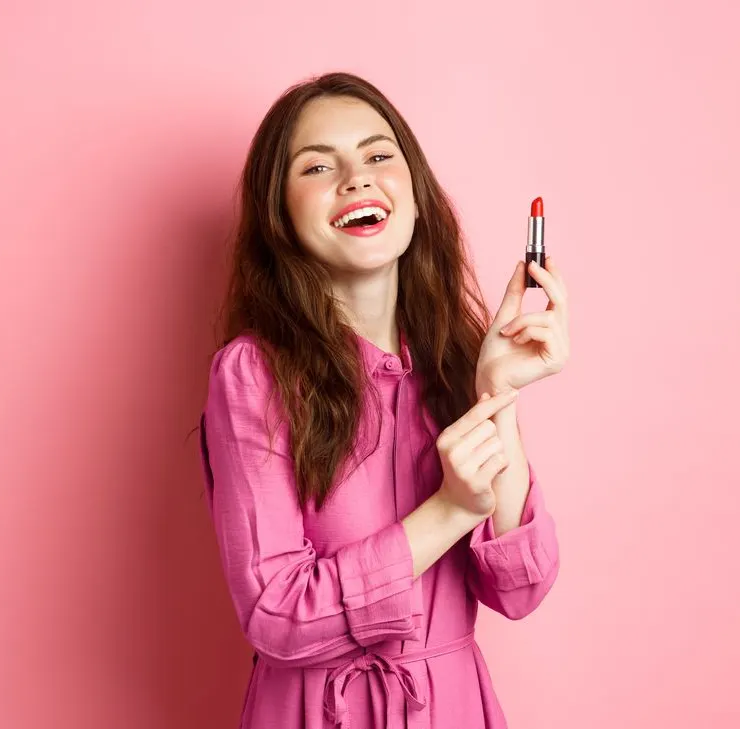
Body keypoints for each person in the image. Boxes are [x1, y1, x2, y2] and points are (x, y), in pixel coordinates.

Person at [197, 71, 570, 729]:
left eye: (377, 155)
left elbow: (519, 588)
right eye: (318, 166)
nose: (356, 179)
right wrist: (450, 510)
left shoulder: (457, 363)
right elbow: (276, 613)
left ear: (415, 193)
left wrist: (497, 393)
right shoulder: (254, 374)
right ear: (279, 214)